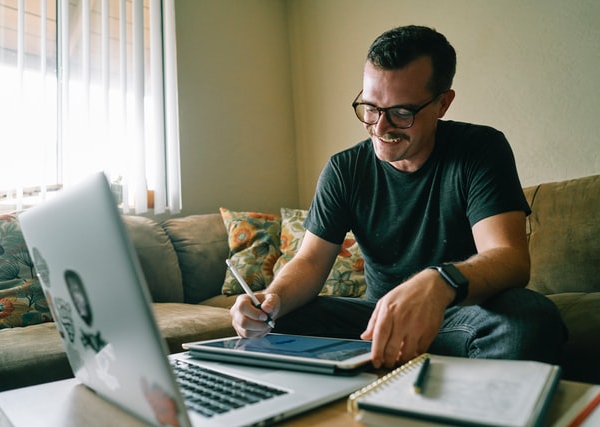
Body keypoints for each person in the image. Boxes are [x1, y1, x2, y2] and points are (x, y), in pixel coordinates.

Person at [230, 25, 566, 369]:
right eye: (371, 107)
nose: (379, 127)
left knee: (530, 318)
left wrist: (440, 281)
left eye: (402, 113)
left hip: (462, 318)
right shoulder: (344, 169)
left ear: (442, 104)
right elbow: (311, 262)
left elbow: (509, 258)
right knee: (277, 324)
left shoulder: (480, 150)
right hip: (374, 323)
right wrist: (270, 302)